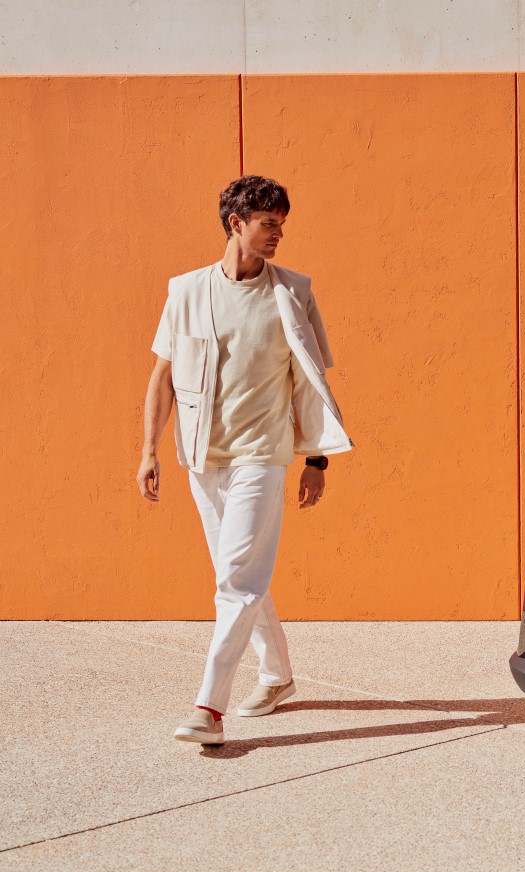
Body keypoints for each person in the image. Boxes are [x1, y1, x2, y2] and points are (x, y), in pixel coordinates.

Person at [136, 175, 353, 746]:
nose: (279, 233)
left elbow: (311, 384)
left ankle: (208, 708)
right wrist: (149, 450)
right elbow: (162, 377)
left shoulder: (294, 292)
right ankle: (278, 675)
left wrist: (316, 462)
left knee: (237, 579)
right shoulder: (186, 291)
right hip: (201, 456)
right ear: (237, 223)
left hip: (263, 454)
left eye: (281, 223)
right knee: (240, 576)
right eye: (269, 223)